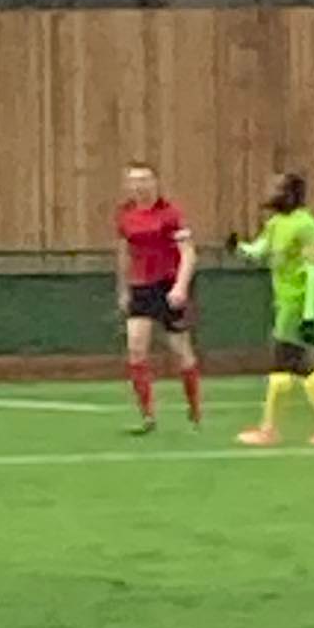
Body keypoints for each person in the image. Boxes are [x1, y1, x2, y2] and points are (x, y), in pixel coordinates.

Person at [236, 171, 314, 446]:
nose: (270, 193)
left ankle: (271, 429)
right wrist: (239, 247)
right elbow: (260, 250)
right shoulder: (275, 223)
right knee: (293, 365)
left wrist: (309, 315)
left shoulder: (306, 225)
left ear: (290, 193)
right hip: (284, 302)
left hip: (298, 303)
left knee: (284, 364)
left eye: (276, 188)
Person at [112, 163, 202, 431]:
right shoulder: (125, 215)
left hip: (167, 285)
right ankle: (147, 415)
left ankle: (194, 408)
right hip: (141, 287)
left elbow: (188, 253)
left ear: (155, 182)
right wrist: (123, 289)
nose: (139, 186)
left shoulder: (170, 214)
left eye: (145, 179)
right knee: (136, 349)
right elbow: (124, 254)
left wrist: (180, 286)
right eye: (134, 181)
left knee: (180, 349)